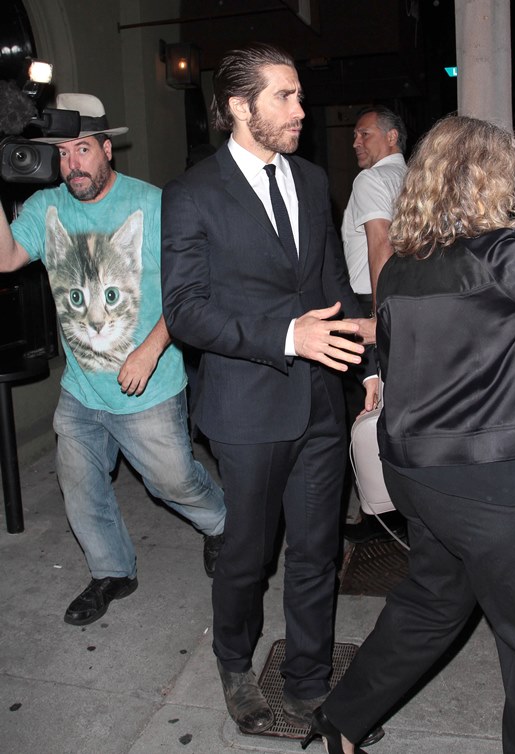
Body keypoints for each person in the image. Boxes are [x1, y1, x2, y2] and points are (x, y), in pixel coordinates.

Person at [303, 114, 515, 754]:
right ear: (488, 180)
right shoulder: (502, 255)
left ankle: (342, 719)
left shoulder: (404, 266)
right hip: (487, 489)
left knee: (433, 604)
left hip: (415, 473)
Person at [160, 43, 381, 746]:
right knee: (248, 555)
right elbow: (185, 311)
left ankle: (308, 679)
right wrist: (288, 336)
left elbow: (331, 285)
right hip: (247, 409)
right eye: (284, 96)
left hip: (319, 401)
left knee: (316, 551)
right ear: (238, 106)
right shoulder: (193, 192)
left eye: (298, 95)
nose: (300, 110)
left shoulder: (312, 180)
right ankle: (234, 665)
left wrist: (366, 364)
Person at [0, 93, 226, 627]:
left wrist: (150, 350)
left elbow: (191, 291)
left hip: (148, 386)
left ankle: (220, 525)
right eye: (61, 153)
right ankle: (112, 571)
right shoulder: (47, 208)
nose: (71, 164)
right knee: (79, 485)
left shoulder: (154, 205)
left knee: (172, 481)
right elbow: (6, 259)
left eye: (82, 149)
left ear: (107, 149)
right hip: (82, 389)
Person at [340, 105, 409, 545]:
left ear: (392, 137)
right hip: (409, 299)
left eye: (364, 134)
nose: (355, 143)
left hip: (374, 301)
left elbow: (379, 245)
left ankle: (380, 515)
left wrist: (379, 321)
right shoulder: (415, 178)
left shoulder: (371, 180)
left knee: (369, 410)